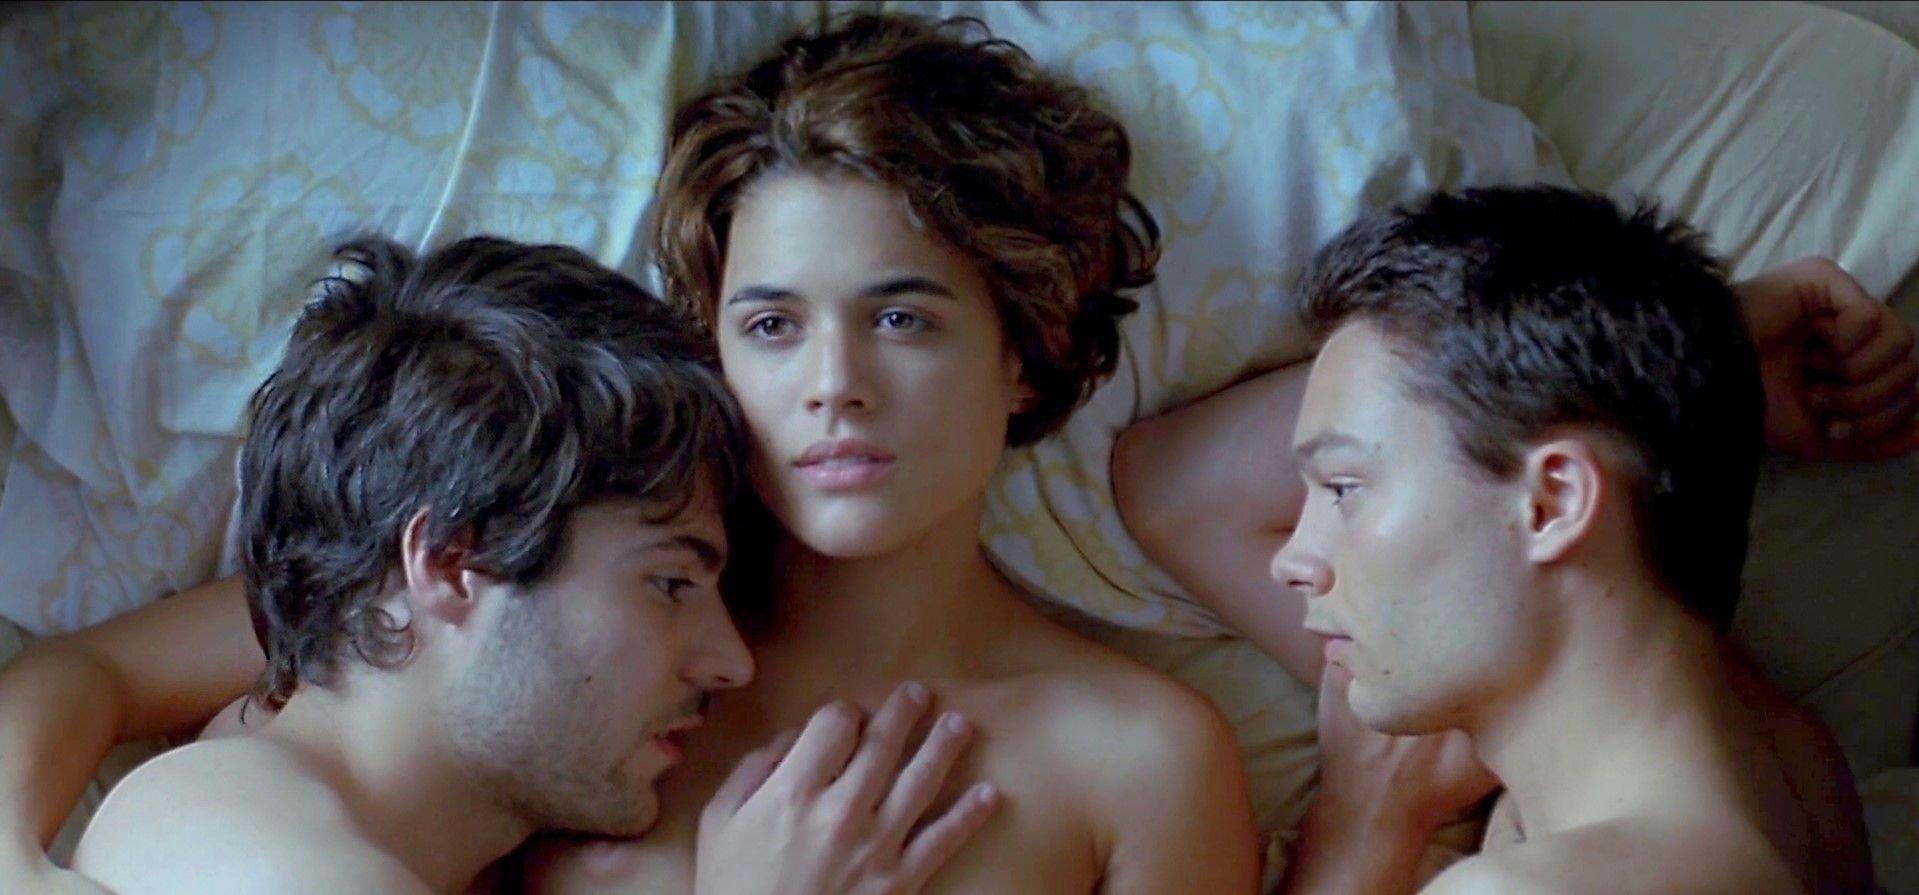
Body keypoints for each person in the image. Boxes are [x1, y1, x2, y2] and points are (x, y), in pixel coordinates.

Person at [0, 15, 1259, 895]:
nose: (833, 384)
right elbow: (86, 669)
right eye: (770, 326)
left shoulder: (1139, 758)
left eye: (901, 319)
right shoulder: (561, 593)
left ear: (1024, 354)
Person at [61, 236, 998, 895]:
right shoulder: (250, 848)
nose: (731, 660)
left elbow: (83, 670)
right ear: (452, 563)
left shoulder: (374, 798)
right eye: (669, 582)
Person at [1121, 186, 1894, 893]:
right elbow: (1167, 489)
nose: (1294, 558)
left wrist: (1362, 822)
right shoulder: (1790, 771)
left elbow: (1178, 493)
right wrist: (1691, 358)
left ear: (1553, 502)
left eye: (1344, 488)